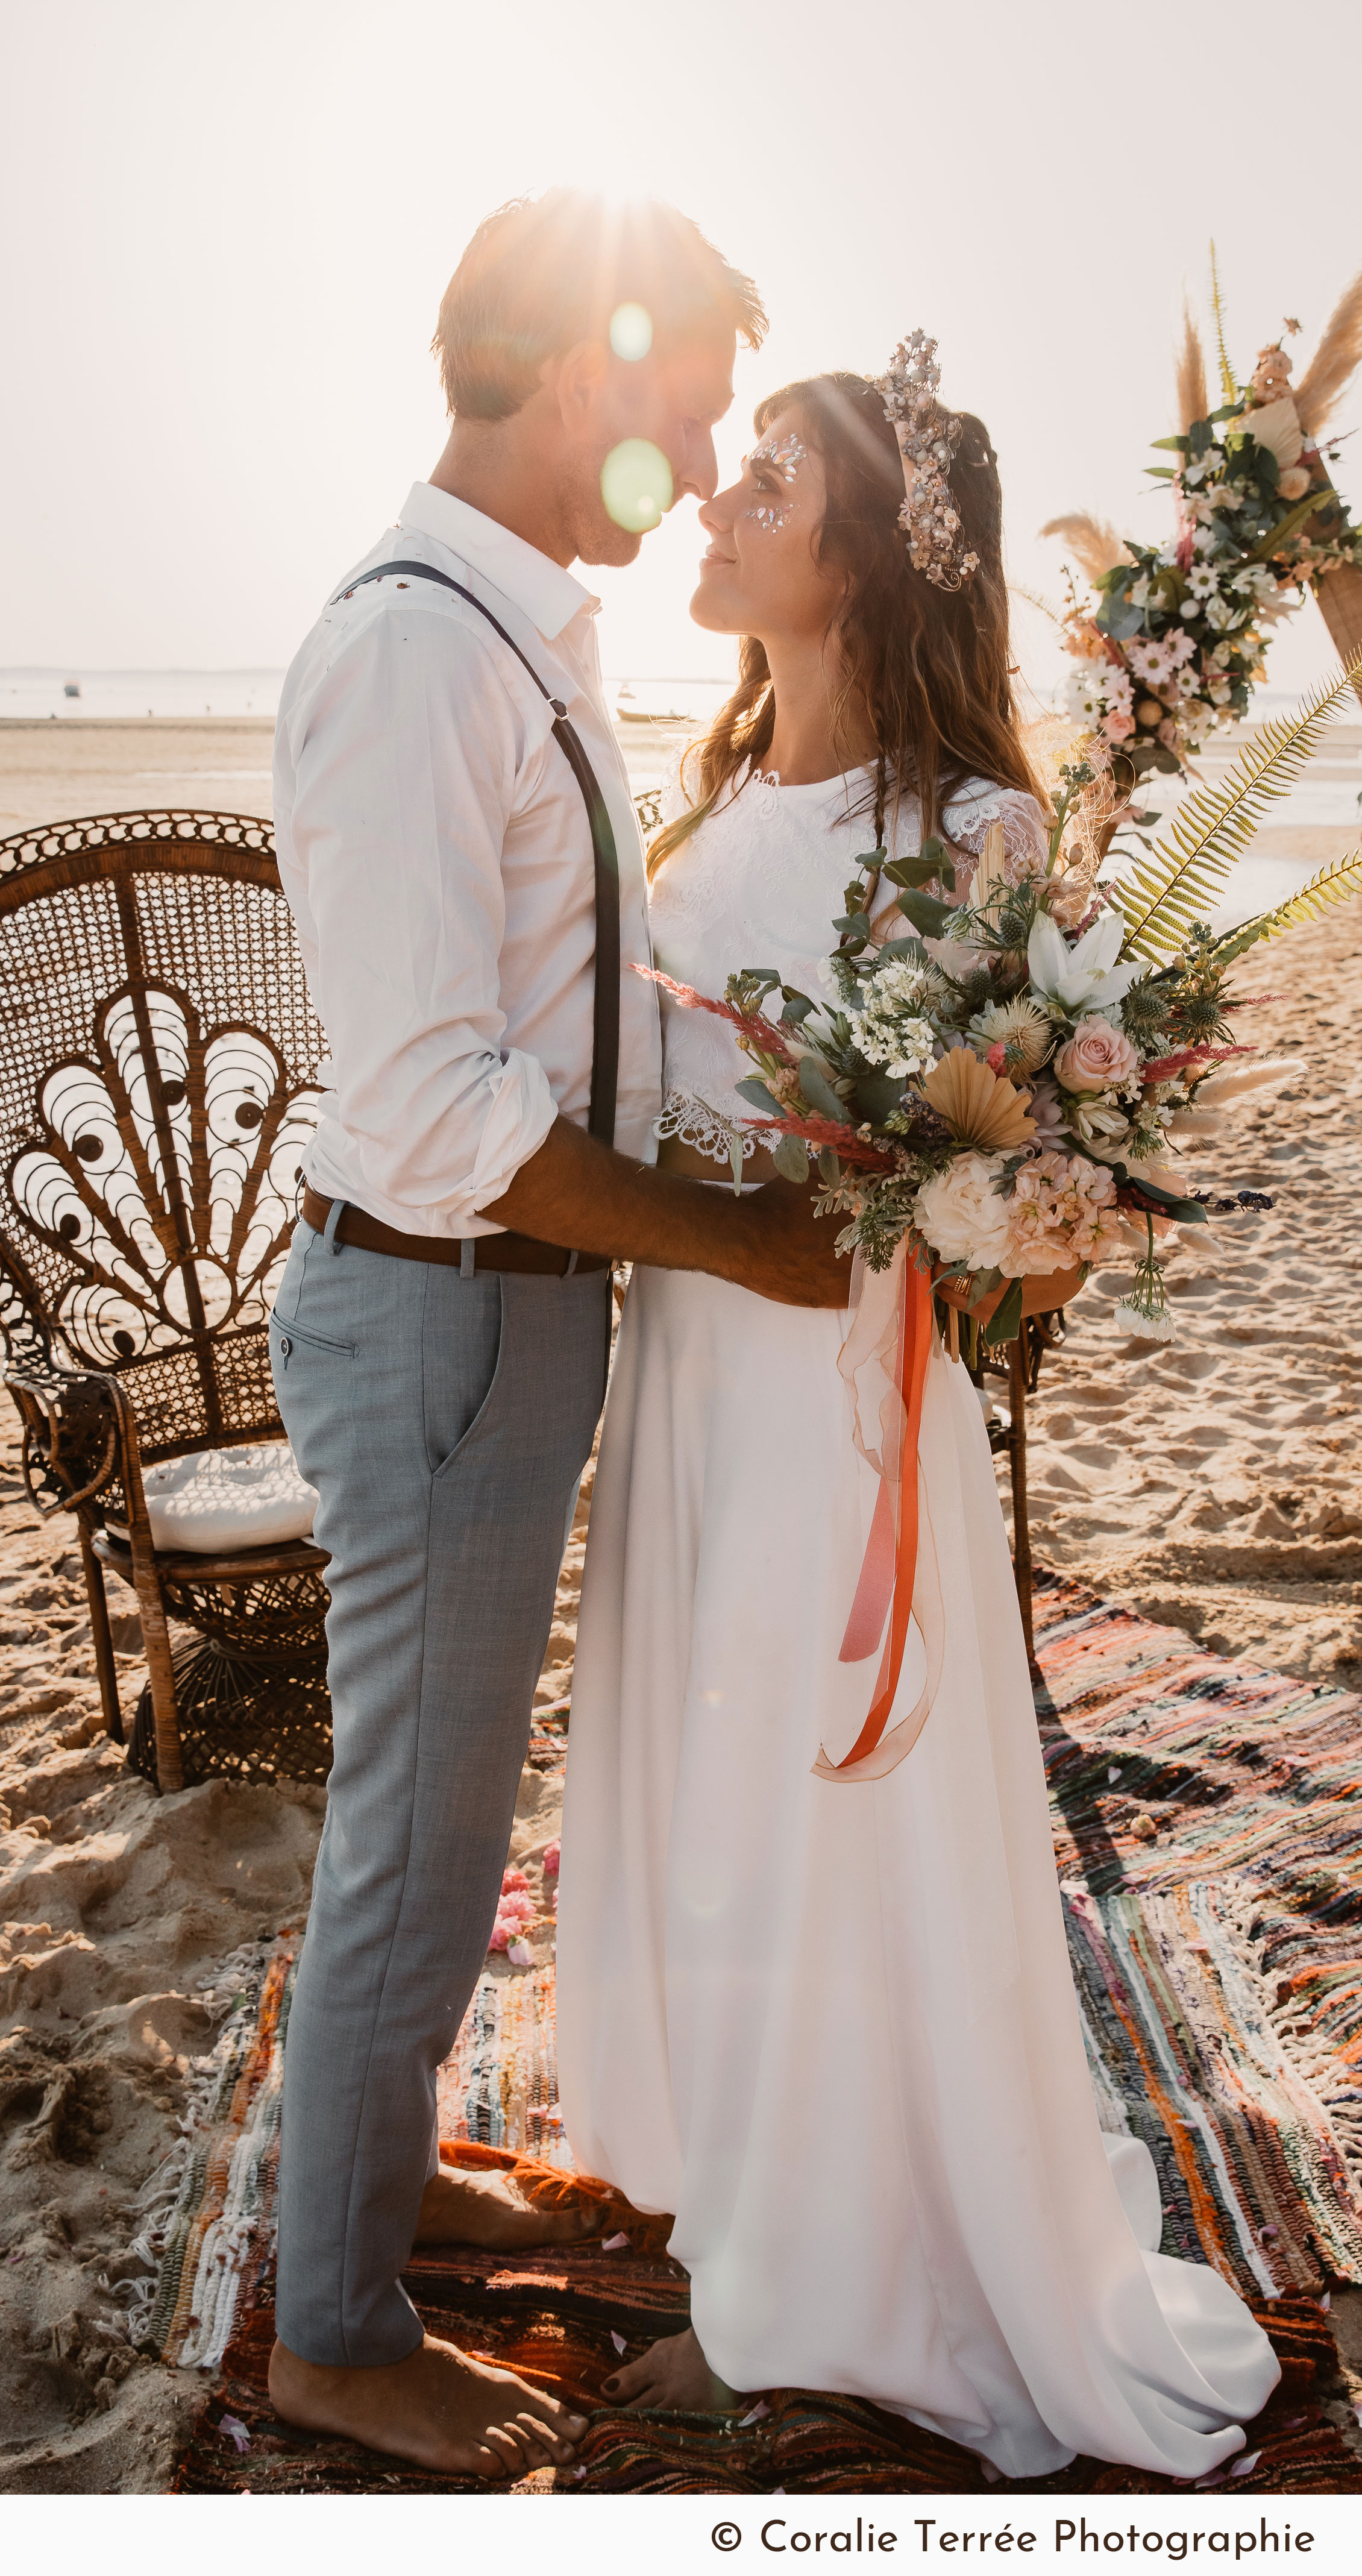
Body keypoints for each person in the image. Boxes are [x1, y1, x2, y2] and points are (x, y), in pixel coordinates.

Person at [554, 365, 1281, 2480]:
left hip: (842, 1419)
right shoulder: (690, 809)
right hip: (688, 1384)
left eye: (764, 478)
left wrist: (1018, 1200)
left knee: (820, 1810)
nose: (714, 497)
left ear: (856, 552)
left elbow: (1031, 1212)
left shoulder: (973, 835)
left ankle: (804, 2291)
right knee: (717, 1799)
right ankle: (752, 2179)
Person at [266, 193, 847, 2483]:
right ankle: (329, 2325)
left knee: (444, 1801)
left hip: (496, 1321)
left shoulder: (530, 631)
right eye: (693, 387)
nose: (706, 446)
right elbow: (436, 1108)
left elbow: (575, 1014)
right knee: (415, 1836)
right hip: (442, 1320)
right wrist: (729, 1239)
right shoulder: (416, 648)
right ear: (588, 366)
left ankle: (385, 2172)